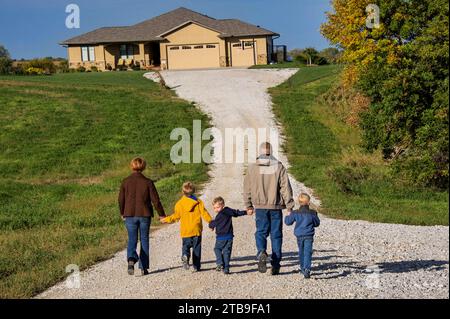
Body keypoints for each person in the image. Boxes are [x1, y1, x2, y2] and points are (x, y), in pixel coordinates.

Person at [243, 142, 294, 275]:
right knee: (276, 235)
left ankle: (261, 251)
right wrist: (289, 206)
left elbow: (247, 188)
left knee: (261, 232)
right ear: (271, 152)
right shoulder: (279, 167)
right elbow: (285, 187)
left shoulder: (252, 168)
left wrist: (248, 205)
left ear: (260, 152)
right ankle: (276, 264)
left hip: (260, 207)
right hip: (275, 206)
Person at [118, 157, 166, 276]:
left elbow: (120, 199)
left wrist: (122, 212)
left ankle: (131, 259)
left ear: (132, 166)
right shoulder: (148, 182)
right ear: (143, 167)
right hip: (144, 215)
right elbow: (156, 201)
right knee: (144, 239)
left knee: (132, 239)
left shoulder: (125, 181)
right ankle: (144, 267)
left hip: (129, 214)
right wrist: (161, 214)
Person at [161, 182, 212, 272]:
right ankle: (196, 266)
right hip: (196, 229)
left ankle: (185, 255)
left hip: (186, 231)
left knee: (186, 246)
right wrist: (211, 222)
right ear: (194, 191)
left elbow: (176, 217)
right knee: (197, 248)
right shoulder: (198, 202)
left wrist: (166, 219)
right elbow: (204, 213)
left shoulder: (179, 204)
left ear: (182, 192)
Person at [208, 196, 250, 274]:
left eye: (217, 207)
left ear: (223, 205)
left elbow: (214, 222)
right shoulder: (228, 210)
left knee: (217, 249)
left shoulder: (219, 215)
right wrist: (245, 212)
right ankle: (226, 269)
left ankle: (220, 262)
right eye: (214, 208)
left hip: (221, 237)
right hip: (229, 237)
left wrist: (210, 225)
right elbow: (236, 213)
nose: (216, 209)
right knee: (227, 252)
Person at [284, 193, 320, 278]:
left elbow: (288, 222)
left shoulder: (295, 213)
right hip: (309, 235)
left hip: (299, 235)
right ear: (308, 202)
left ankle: (302, 268)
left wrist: (288, 215)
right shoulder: (312, 213)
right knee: (308, 252)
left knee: (301, 251)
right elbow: (317, 223)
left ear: (299, 203)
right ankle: (307, 269)